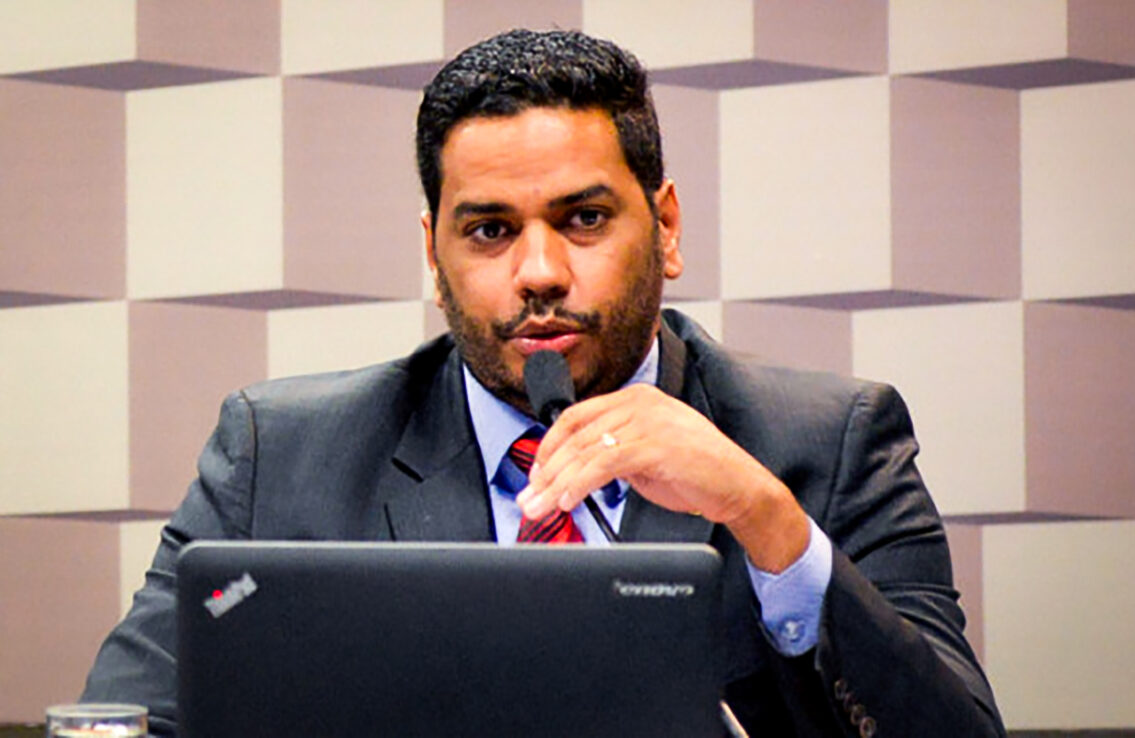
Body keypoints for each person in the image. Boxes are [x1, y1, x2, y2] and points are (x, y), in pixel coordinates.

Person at [82, 29, 1005, 737]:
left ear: (666, 226)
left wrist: (767, 524)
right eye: (489, 231)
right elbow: (116, 724)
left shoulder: (830, 442)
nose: (539, 272)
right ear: (433, 253)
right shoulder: (280, 455)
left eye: (585, 218)